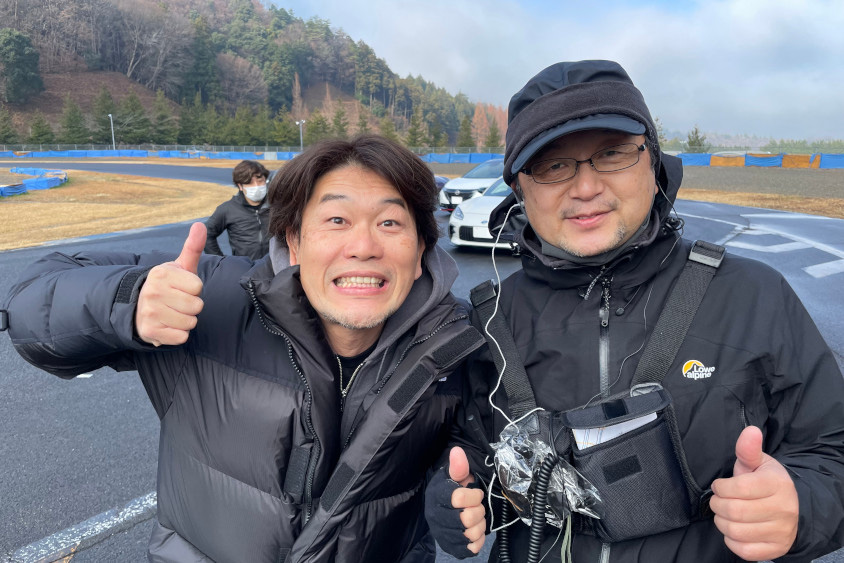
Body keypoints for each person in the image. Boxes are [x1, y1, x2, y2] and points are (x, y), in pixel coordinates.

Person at [426, 60, 844, 562]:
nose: (585, 188)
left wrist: (801, 505)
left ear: (653, 161)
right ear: (519, 188)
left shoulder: (754, 296)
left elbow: (832, 451)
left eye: (612, 153)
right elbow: (472, 448)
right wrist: (459, 498)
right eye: (553, 166)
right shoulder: (492, 319)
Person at [2, 135, 484, 562]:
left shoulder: (456, 342)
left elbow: (473, 451)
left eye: (390, 222)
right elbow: (30, 303)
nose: (363, 245)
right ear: (294, 242)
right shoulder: (212, 299)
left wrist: (450, 497)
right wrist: (128, 300)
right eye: (337, 219)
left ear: (420, 252)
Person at [204, 159, 271, 260]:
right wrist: (221, 262)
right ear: (240, 186)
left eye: (260, 181)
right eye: (250, 183)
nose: (256, 186)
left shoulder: (276, 206)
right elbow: (206, 234)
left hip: (274, 266)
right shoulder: (228, 209)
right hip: (245, 267)